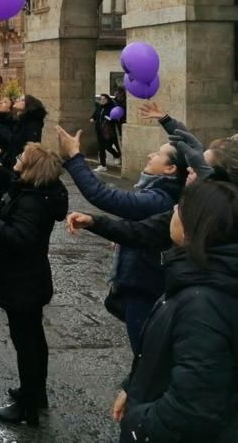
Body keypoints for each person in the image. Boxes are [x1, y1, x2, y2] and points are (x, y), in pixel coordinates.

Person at [111, 180, 238, 442]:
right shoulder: (197, 273)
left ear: (196, 224)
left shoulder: (203, 304)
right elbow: (164, 353)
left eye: (180, 208)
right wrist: (133, 387)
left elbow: (193, 407)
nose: (173, 211)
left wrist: (139, 423)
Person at [56, 126, 185, 353]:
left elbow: (103, 196)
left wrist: (76, 156)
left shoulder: (159, 198)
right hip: (148, 283)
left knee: (145, 353)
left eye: (158, 154)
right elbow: (138, 229)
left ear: (170, 168)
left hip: (146, 287)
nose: (150, 155)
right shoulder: (162, 192)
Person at [0, 143, 68, 426]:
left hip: (22, 281)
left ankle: (27, 407)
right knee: (33, 338)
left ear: (31, 167)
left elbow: (20, 237)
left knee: (27, 344)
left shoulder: (33, 201)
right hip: (29, 278)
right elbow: (13, 181)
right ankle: (35, 391)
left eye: (22, 156)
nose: (17, 158)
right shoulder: (38, 190)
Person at [90, 93, 121, 171]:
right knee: (101, 148)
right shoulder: (99, 108)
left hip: (108, 131)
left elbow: (115, 118)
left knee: (108, 146)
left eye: (104, 99)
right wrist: (92, 119)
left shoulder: (111, 108)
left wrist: (110, 119)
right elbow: (94, 115)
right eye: (101, 99)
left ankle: (116, 155)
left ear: (108, 100)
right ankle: (103, 165)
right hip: (99, 130)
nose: (102, 101)